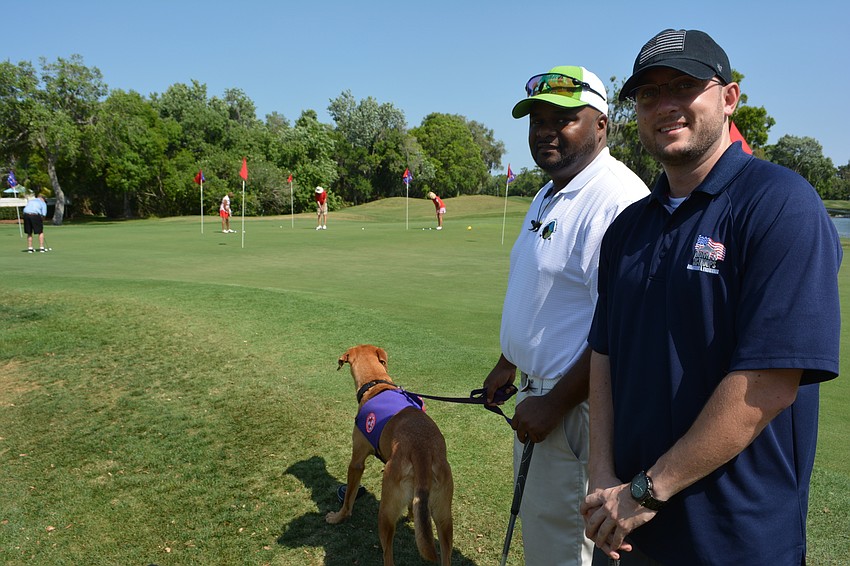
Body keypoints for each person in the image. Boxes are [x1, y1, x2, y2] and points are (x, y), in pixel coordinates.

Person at [581, 29, 841, 565]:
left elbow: (768, 383)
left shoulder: (779, 204)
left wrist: (645, 490)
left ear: (729, 98)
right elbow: (605, 356)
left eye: (684, 85)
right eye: (649, 94)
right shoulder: (628, 228)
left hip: (736, 536)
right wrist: (603, 478)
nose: (665, 104)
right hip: (634, 531)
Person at [483, 65, 648, 566]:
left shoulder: (615, 200)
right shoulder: (552, 188)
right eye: (536, 120)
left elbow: (615, 333)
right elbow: (544, 291)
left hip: (573, 411)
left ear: (601, 123)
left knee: (563, 549)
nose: (545, 131)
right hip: (540, 396)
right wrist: (508, 361)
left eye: (564, 118)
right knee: (544, 535)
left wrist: (553, 403)